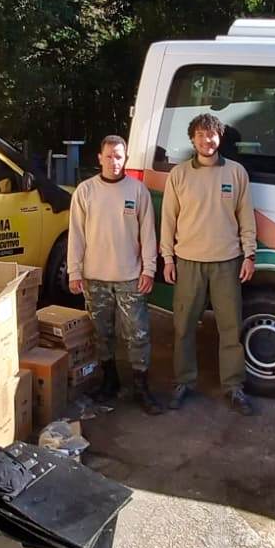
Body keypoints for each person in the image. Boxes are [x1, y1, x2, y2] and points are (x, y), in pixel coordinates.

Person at [160, 112, 258, 416]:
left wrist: (249, 255)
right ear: (193, 139)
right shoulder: (179, 174)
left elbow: (246, 217)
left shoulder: (237, 173)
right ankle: (183, 382)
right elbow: (168, 220)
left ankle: (233, 386)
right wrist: (167, 258)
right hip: (188, 262)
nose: (207, 140)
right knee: (184, 327)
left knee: (230, 329)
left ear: (220, 137)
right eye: (201, 135)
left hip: (227, 263)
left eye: (212, 134)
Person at [67, 135, 162, 415]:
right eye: (108, 156)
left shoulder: (138, 191)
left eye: (119, 156)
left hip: (130, 276)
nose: (114, 162)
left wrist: (149, 268)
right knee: (101, 333)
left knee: (137, 333)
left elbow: (148, 233)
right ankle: (110, 381)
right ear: (99, 158)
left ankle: (141, 386)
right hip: (94, 277)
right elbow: (76, 235)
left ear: (126, 159)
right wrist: (75, 271)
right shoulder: (85, 192)